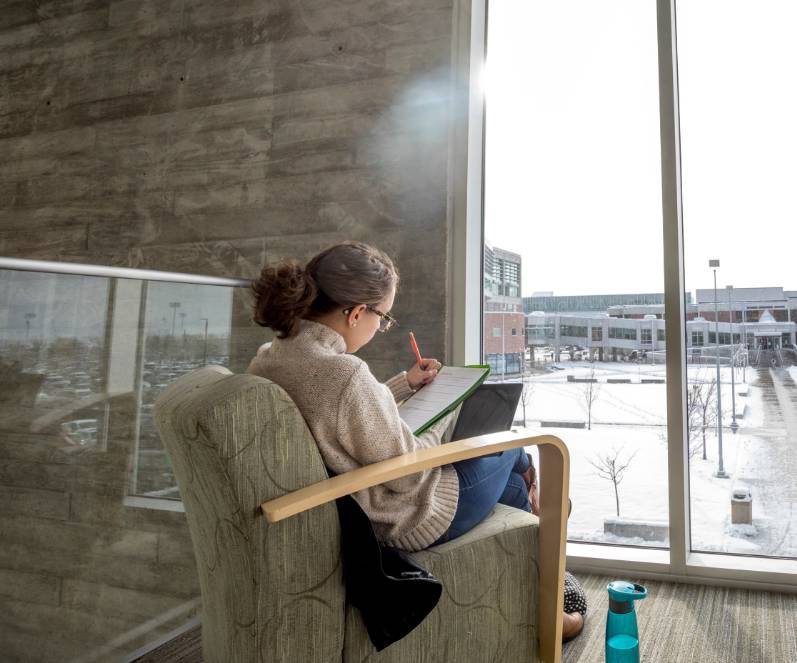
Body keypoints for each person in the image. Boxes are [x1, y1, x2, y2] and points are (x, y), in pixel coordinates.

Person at [247, 241, 583, 640]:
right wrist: (444, 415)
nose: (381, 327)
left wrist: (406, 385)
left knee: (511, 484)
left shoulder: (271, 355)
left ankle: (541, 577)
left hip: (357, 505)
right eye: (384, 318)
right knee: (508, 443)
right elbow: (407, 476)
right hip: (403, 516)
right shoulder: (344, 374)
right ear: (357, 313)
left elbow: (341, 419)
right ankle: (551, 573)